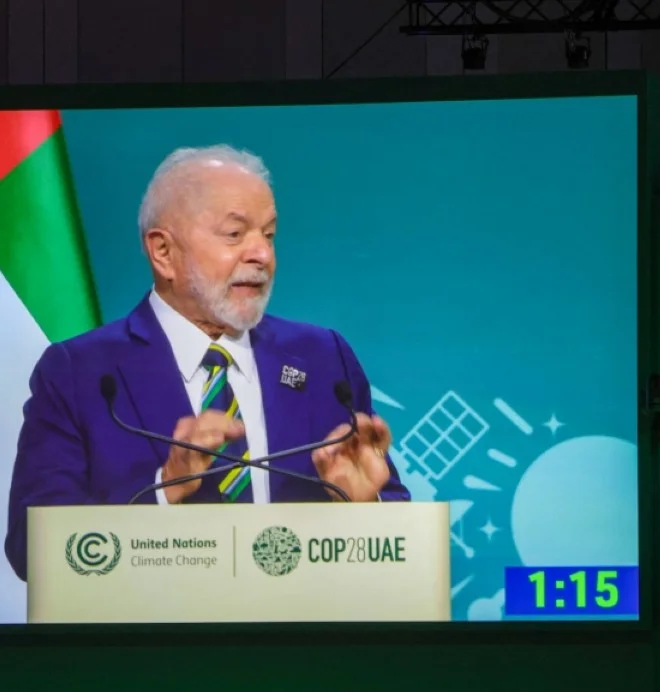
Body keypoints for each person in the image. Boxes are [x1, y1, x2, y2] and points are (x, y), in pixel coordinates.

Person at [5, 144, 410, 580]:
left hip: (301, 640)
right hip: (151, 641)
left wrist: (364, 507)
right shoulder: (79, 372)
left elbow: (393, 522)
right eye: (235, 234)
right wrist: (164, 489)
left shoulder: (322, 357)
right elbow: (33, 547)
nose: (262, 255)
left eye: (269, 235)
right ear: (163, 253)